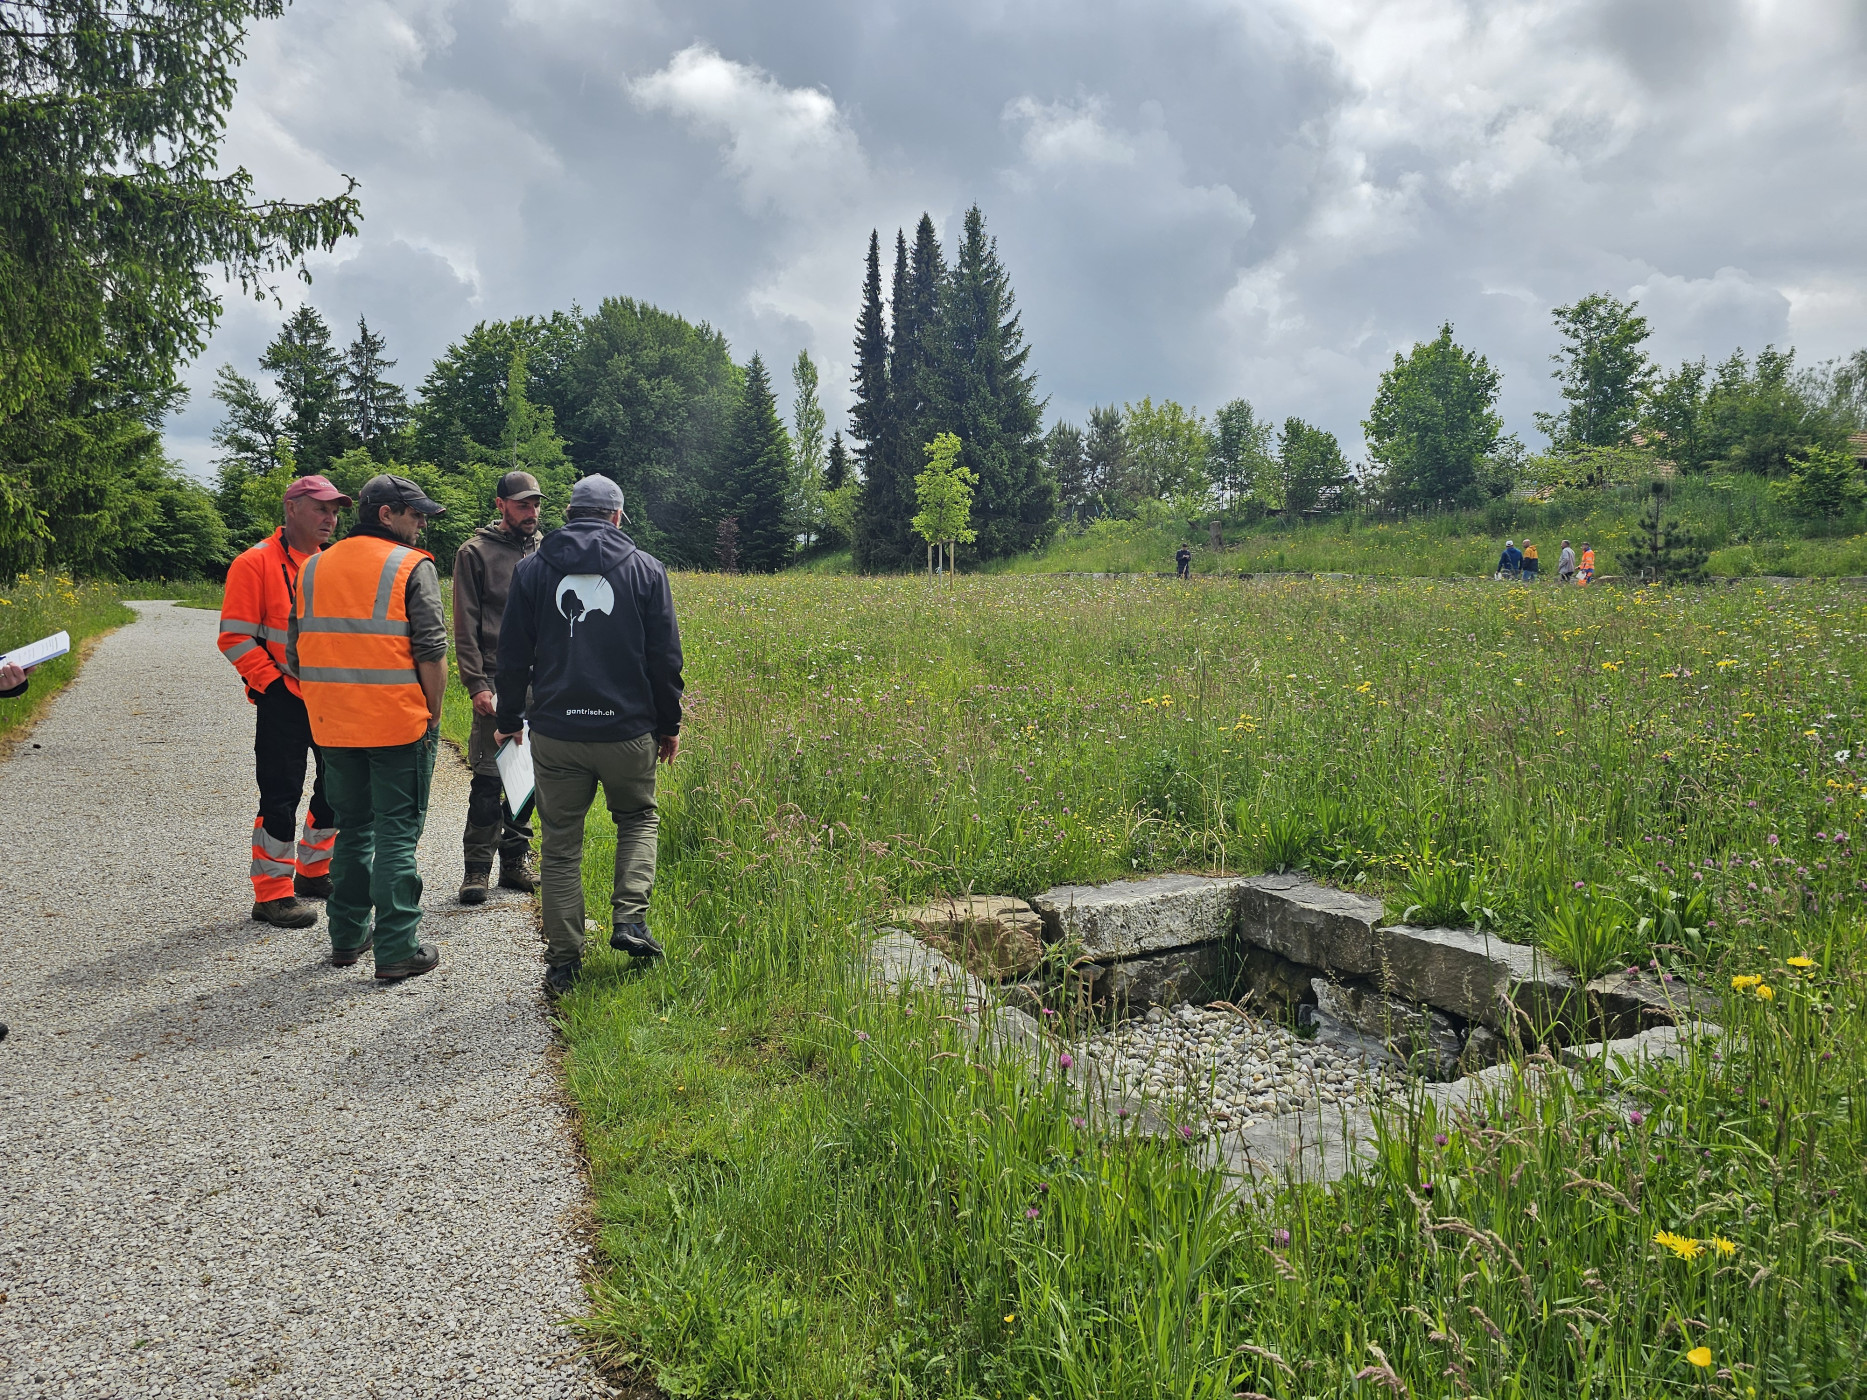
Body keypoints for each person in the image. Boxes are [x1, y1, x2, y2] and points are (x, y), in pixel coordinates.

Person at [494, 474, 684, 999]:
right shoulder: (647, 570)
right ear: (617, 517)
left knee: (559, 847)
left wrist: (510, 717)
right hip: (627, 731)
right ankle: (630, 920)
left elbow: (511, 657)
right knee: (638, 817)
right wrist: (668, 725)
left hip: (556, 732)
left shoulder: (532, 570)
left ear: (571, 514)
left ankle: (563, 963)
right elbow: (665, 660)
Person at [288, 475, 450, 982]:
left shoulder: (312, 566)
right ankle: (399, 945)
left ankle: (347, 935)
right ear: (385, 514)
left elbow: (295, 654)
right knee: (398, 833)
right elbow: (431, 650)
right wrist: (434, 715)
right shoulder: (410, 565)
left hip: (332, 726)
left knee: (354, 830)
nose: (423, 522)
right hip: (398, 723)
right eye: (415, 513)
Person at [218, 475, 350, 929]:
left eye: (334, 511)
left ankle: (313, 871)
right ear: (291, 508)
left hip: (329, 698)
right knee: (281, 794)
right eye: (320, 509)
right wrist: (271, 686)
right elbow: (234, 636)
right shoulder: (254, 563)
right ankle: (272, 893)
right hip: (283, 699)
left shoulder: (330, 563)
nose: (330, 519)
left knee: (335, 788)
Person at [452, 470, 544, 904]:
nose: (532, 512)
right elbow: (465, 626)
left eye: (536, 504)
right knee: (489, 780)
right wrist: (475, 683)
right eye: (523, 504)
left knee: (525, 777)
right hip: (493, 679)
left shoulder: (549, 552)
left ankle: (514, 862)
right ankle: (476, 870)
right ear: (500, 505)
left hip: (540, 684)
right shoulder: (475, 553)